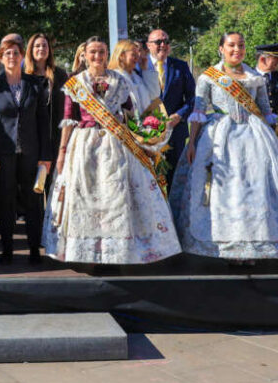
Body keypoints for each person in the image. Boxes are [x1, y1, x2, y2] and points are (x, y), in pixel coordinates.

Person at [169, 32, 278, 261]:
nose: (236, 49)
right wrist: (191, 143)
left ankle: (253, 243)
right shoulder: (209, 77)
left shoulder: (254, 77)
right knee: (224, 191)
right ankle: (226, 243)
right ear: (221, 48)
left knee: (254, 188)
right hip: (219, 137)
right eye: (231, 45)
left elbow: (265, 112)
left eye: (240, 45)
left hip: (254, 136)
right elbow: (198, 112)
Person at [43, 37, 181, 265]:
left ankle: (116, 252)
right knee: (86, 198)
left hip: (116, 146)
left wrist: (144, 141)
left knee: (117, 198)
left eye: (102, 52)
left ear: (108, 55)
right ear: (84, 55)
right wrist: (62, 152)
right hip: (84, 147)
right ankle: (88, 253)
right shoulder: (75, 83)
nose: (98, 56)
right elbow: (68, 120)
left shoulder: (120, 81)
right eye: (93, 52)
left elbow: (130, 116)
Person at [0, 37, 52, 264]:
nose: (12, 57)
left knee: (33, 201)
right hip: (3, 155)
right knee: (5, 202)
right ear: (1, 58)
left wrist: (45, 156)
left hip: (31, 153)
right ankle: (7, 249)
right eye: (7, 54)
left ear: (22, 56)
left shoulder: (34, 84)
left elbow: (44, 122)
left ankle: (34, 248)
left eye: (16, 53)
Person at [145, 29, 195, 179]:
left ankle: (173, 203)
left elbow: (193, 98)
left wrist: (180, 115)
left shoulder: (181, 66)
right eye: (158, 42)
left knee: (174, 178)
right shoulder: (139, 67)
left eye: (166, 41)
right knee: (150, 179)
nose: (163, 45)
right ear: (148, 45)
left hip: (175, 132)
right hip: (147, 133)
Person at [110, 39, 161, 115]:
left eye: (138, 54)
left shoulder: (136, 77)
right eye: (134, 54)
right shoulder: (113, 78)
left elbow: (154, 94)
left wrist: (145, 70)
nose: (138, 57)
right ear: (121, 56)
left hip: (142, 124)